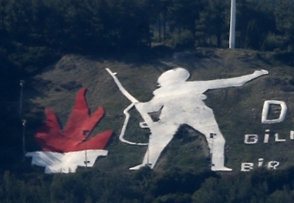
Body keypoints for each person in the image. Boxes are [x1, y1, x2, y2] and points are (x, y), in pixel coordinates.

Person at [106, 66, 267, 171]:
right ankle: (217, 165)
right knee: (215, 139)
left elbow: (152, 108)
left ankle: (146, 165)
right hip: (191, 113)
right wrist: (253, 75)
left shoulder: (163, 92)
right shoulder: (183, 87)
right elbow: (231, 82)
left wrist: (143, 106)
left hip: (186, 113)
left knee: (158, 141)